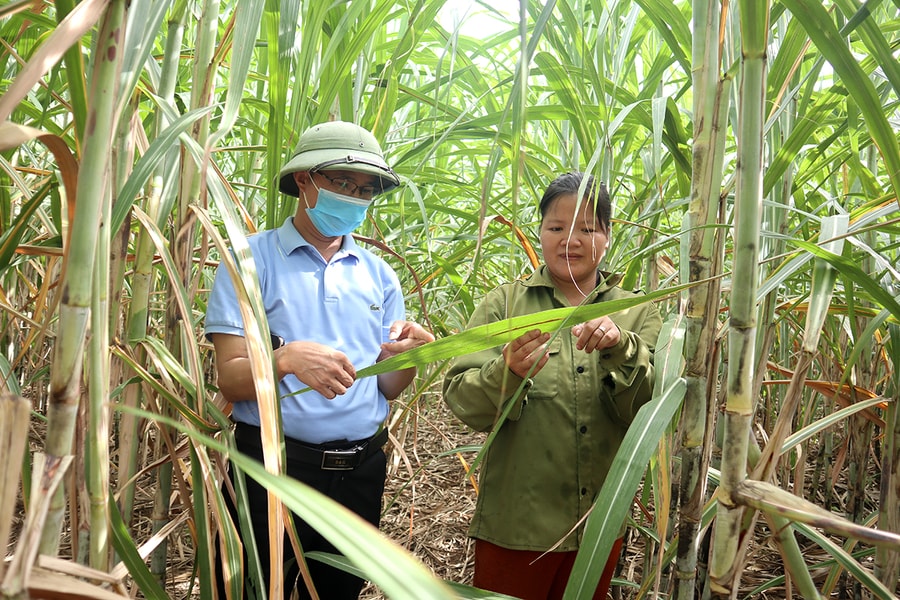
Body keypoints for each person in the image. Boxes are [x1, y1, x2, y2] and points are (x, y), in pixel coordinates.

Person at [205, 120, 434, 600]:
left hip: (359, 473)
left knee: (337, 591)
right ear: (305, 180)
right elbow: (229, 380)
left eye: (366, 189)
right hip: (273, 469)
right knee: (253, 590)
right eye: (342, 182)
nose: (354, 197)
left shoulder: (379, 275)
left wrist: (411, 357)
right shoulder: (251, 260)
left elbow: (388, 385)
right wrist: (284, 358)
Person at [442, 172, 662, 600]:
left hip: (599, 524)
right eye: (556, 228)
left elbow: (647, 409)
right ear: (540, 232)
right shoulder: (504, 305)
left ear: (608, 236)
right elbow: (461, 400)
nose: (570, 240)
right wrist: (506, 371)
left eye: (587, 229)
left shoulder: (636, 312)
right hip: (516, 527)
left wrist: (620, 347)